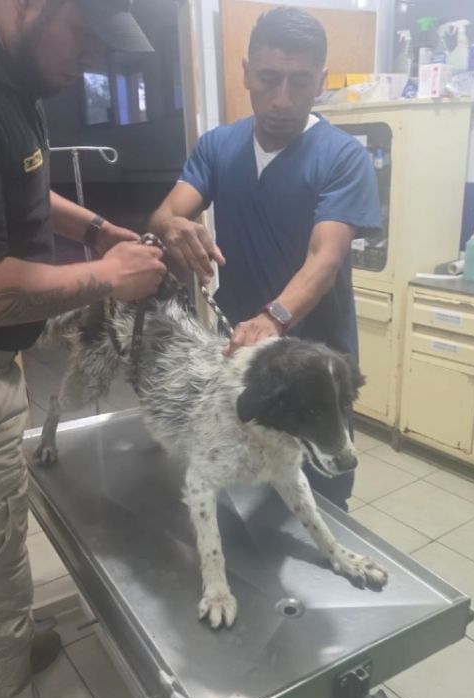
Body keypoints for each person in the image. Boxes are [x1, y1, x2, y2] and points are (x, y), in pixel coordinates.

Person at [0, 0, 162, 698]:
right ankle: (7, 697)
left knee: (0, 535)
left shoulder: (12, 69)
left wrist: (94, 228)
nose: (88, 57)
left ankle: (12, 640)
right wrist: (110, 278)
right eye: (82, 33)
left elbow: (22, 180)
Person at [147, 6, 381, 510]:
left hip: (319, 364)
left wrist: (274, 316)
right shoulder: (217, 147)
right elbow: (168, 212)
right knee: (241, 485)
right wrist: (171, 227)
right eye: (269, 78)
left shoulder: (342, 157)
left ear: (320, 81)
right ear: (246, 71)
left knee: (321, 490)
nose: (281, 99)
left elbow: (326, 253)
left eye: (299, 82)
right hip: (240, 360)